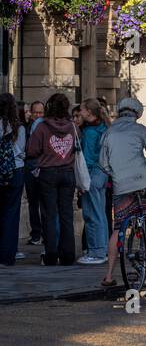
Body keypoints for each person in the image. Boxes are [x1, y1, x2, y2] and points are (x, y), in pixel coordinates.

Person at [100, 95, 146, 288]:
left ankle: (108, 276)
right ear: (137, 114)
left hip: (121, 186)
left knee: (118, 228)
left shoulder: (109, 132)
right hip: (144, 180)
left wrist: (116, 174)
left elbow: (103, 163)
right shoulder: (140, 129)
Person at [26, 91, 77, 266]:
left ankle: (51, 254)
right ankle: (68, 254)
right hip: (68, 173)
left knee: (49, 214)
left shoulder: (42, 127)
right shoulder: (72, 127)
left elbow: (31, 150)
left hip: (48, 173)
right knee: (66, 214)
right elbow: (78, 146)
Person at [77, 99, 109, 265]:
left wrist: (83, 180)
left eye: (82, 110)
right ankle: (102, 250)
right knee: (100, 213)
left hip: (92, 174)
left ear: (89, 112)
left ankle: (96, 252)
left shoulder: (90, 132)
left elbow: (87, 159)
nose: (80, 113)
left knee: (91, 214)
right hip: (102, 173)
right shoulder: (104, 128)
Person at [0, 92, 27, 267]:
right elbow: (22, 151)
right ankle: (8, 256)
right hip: (16, 171)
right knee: (12, 214)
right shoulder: (20, 128)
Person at [23, 99, 44, 246]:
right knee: (33, 202)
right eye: (35, 112)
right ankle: (36, 234)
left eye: (40, 112)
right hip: (30, 168)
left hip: (43, 168)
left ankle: (45, 232)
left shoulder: (47, 126)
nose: (38, 115)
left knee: (45, 203)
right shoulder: (27, 127)